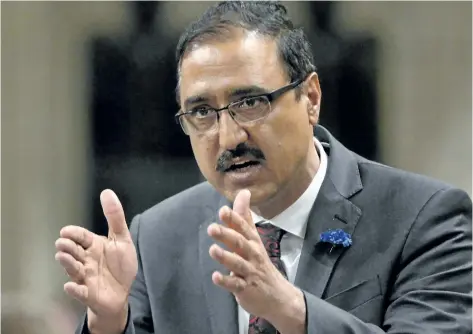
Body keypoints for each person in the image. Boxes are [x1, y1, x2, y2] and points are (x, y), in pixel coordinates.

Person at [55, 2, 472, 333]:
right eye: (201, 112)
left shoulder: (425, 219)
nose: (229, 136)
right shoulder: (158, 237)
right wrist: (109, 324)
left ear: (310, 98)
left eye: (250, 103)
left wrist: (291, 310)